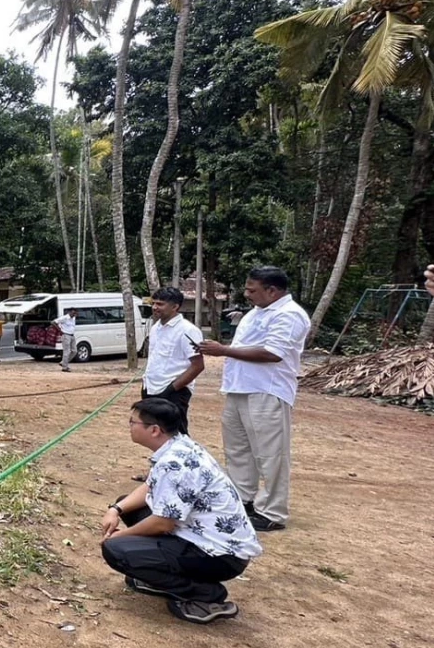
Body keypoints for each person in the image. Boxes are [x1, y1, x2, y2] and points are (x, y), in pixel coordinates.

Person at [101, 397, 261, 624]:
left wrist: (120, 535)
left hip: (219, 555)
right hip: (199, 535)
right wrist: (115, 509)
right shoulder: (179, 445)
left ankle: (205, 595)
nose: (129, 426)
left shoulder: (174, 463)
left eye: (132, 422)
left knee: (116, 549)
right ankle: (159, 573)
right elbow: (151, 485)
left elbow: (163, 523)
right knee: (127, 504)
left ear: (154, 430)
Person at [195, 266, 310, 533]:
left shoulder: (289, 314)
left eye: (252, 289)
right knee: (238, 449)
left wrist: (224, 350)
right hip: (239, 388)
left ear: (272, 290)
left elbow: (273, 353)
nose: (247, 294)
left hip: (267, 390)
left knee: (270, 453)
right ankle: (242, 499)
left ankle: (272, 511)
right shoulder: (255, 313)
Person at [142, 286, 204, 429]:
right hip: (150, 388)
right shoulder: (155, 328)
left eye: (160, 304)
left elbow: (198, 365)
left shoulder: (188, 330)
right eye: (154, 303)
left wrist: (171, 390)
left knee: (176, 434)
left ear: (175, 307)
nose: (155, 307)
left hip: (174, 392)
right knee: (153, 433)